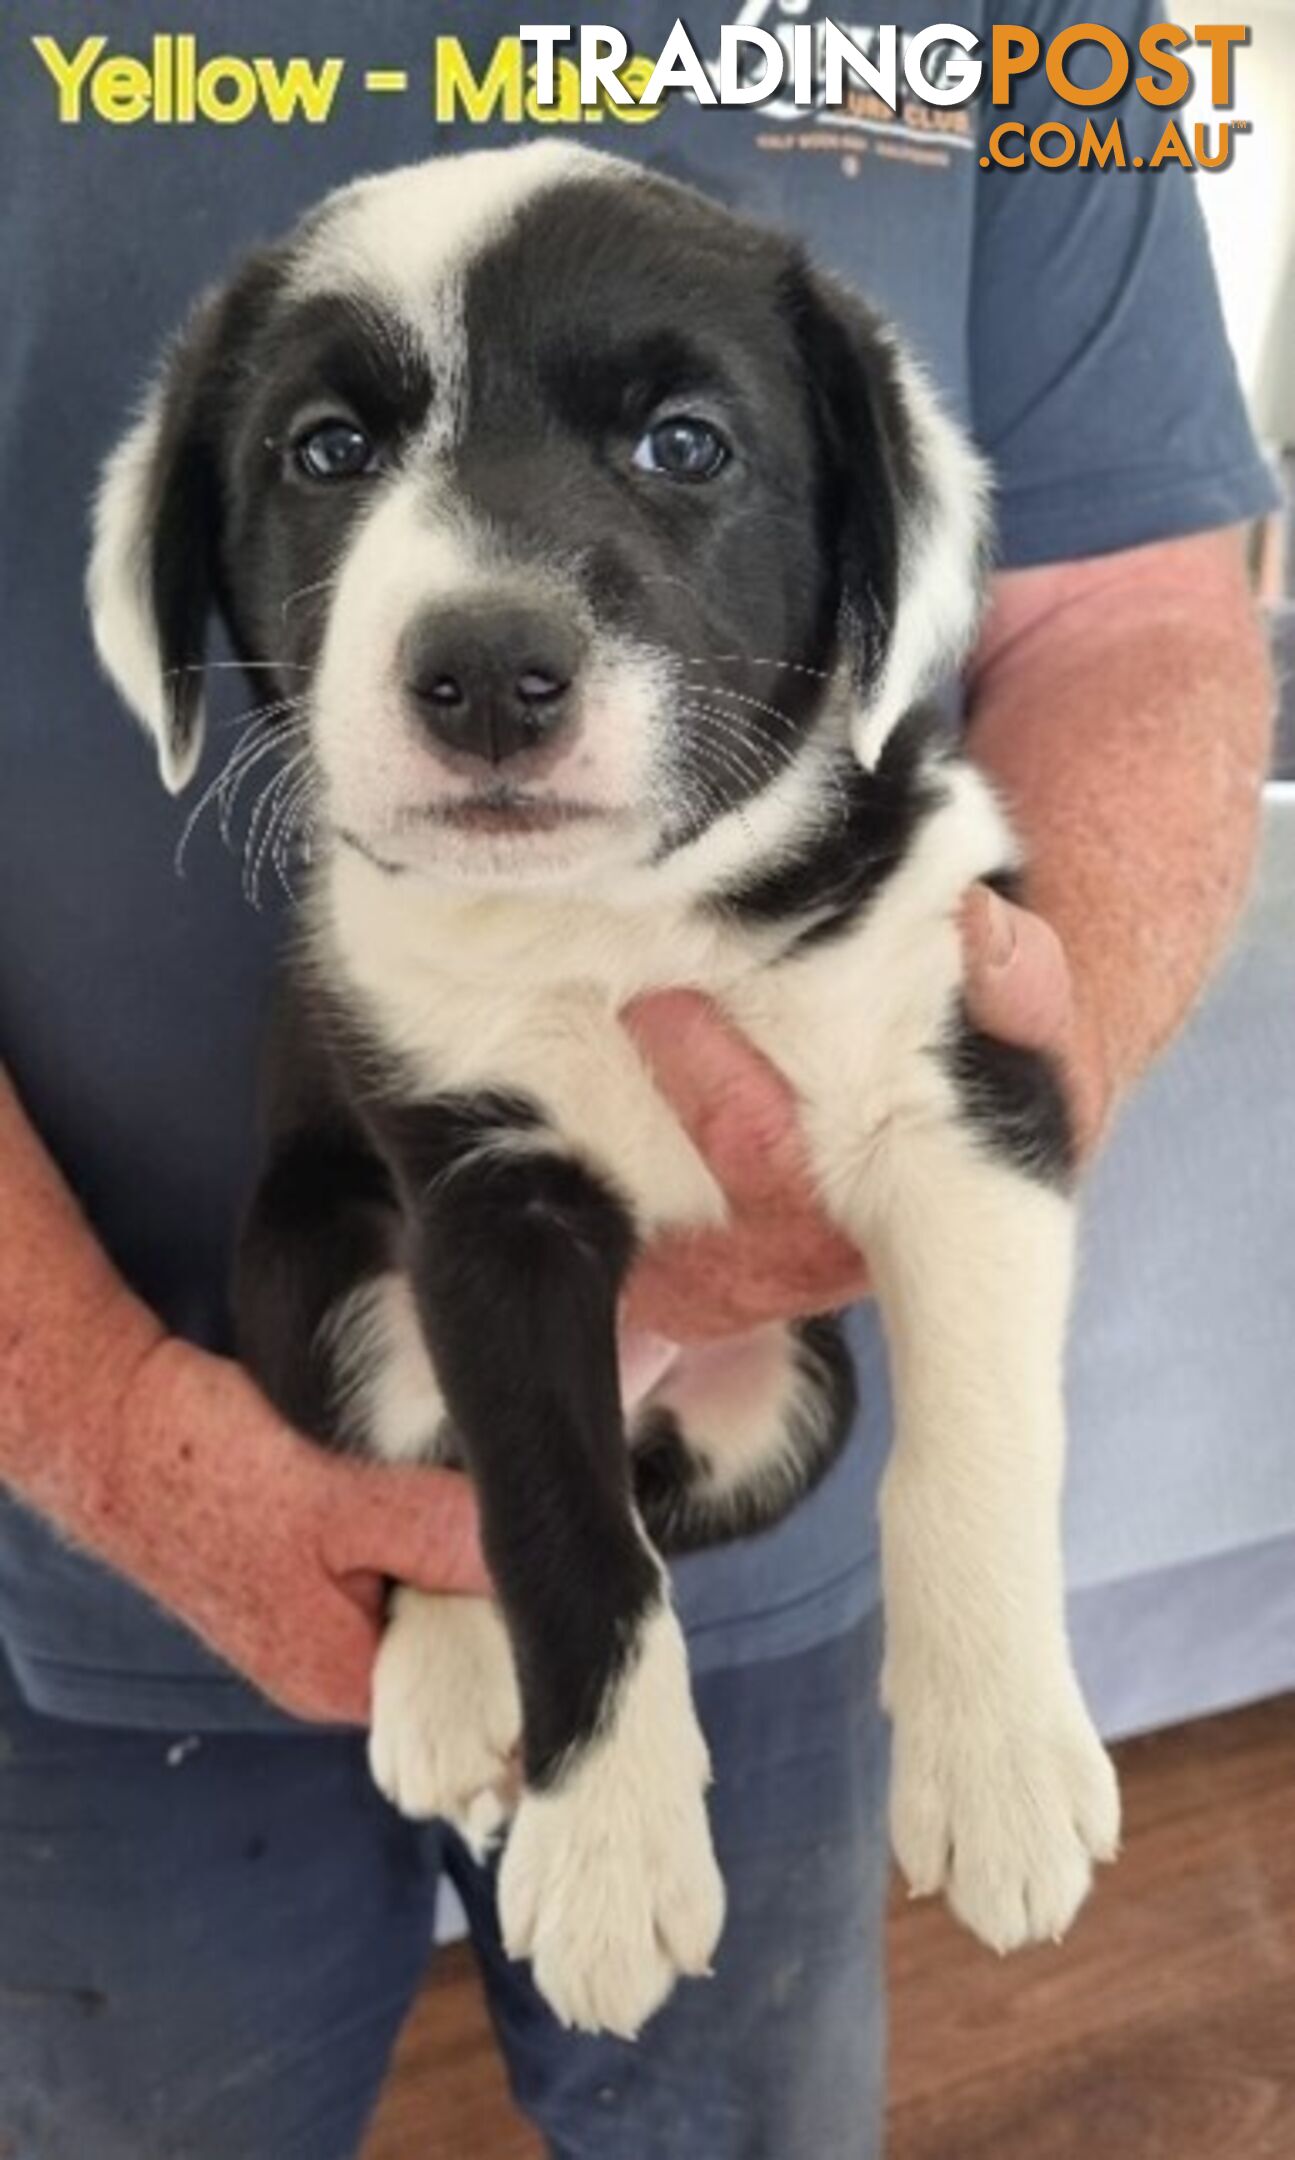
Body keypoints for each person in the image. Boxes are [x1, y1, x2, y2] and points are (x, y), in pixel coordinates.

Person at [0, 5, 1275, 2156]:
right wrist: (103, 1427)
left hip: (770, 1557)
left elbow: (1140, 615)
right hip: (108, 1516)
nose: (491, 630)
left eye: (681, 443)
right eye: (329, 453)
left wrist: (979, 1075)